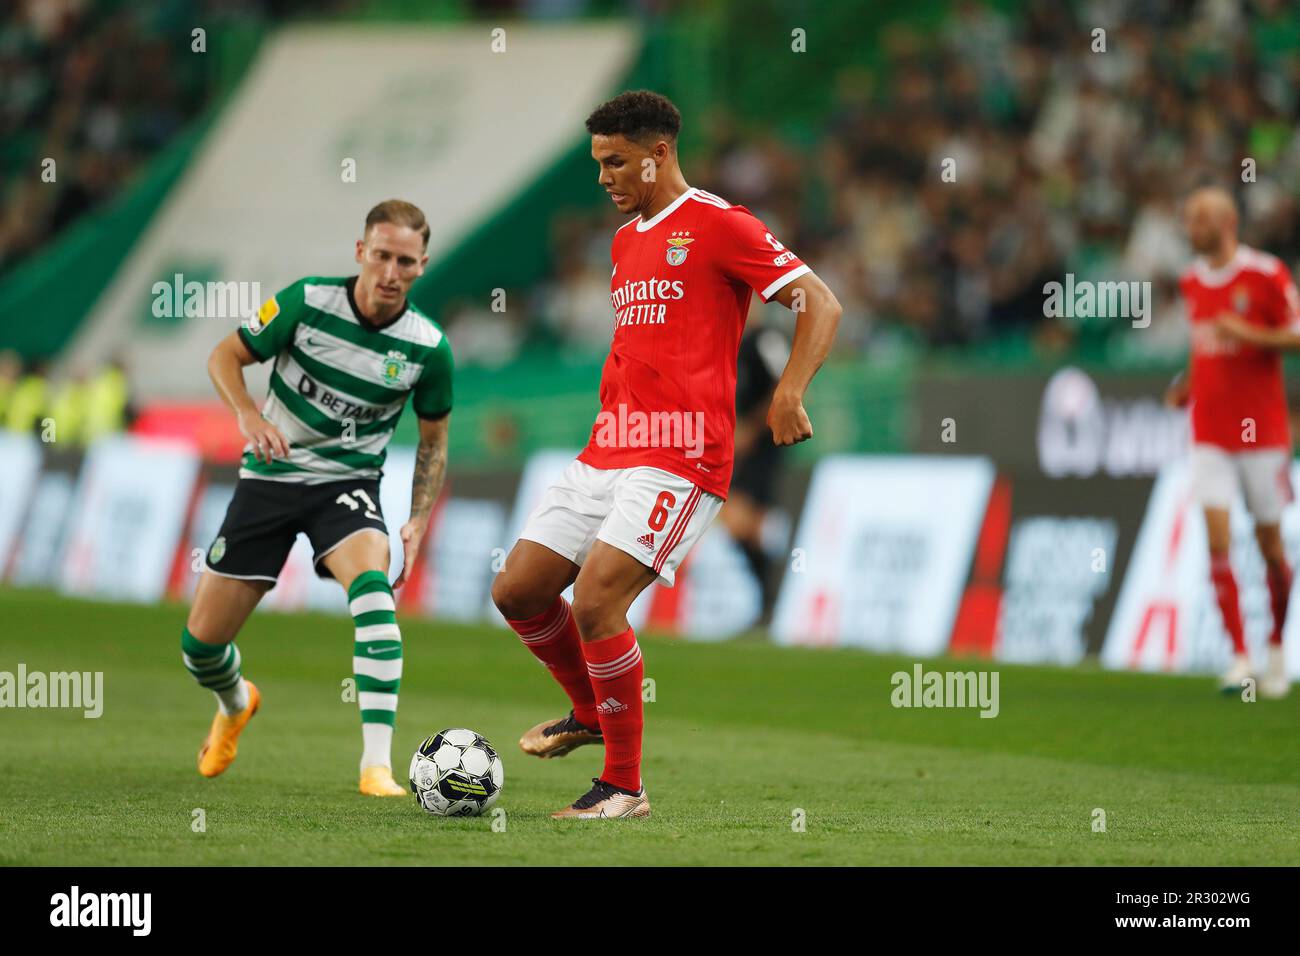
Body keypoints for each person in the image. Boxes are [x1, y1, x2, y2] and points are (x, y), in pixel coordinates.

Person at [491, 91, 842, 818]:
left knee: (596, 600)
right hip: (606, 451)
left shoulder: (719, 224)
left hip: (680, 455)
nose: (603, 177)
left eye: (614, 161)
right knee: (518, 590)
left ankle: (623, 786)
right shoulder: (623, 243)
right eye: (598, 163)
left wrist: (787, 393)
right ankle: (591, 711)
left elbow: (820, 301)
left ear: (659, 154)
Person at [182, 199, 453, 794]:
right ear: (361, 252)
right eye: (381, 255)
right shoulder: (306, 302)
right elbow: (224, 355)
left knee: (375, 599)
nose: (390, 272)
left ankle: (375, 765)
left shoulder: (428, 347)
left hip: (347, 487)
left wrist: (417, 518)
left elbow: (434, 442)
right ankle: (235, 702)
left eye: (405, 261)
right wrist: (248, 414)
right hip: (271, 477)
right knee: (200, 646)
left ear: (422, 266)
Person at [1165, 186, 1297, 697]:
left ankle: (1278, 650)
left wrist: (1249, 333)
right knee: (1217, 539)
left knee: (1269, 545)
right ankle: (1240, 658)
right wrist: (1186, 387)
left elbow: (1296, 335)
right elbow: (1206, 350)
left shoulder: (1265, 274)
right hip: (1210, 432)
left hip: (1262, 433)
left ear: (1226, 222)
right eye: (1187, 219)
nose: (1189, 228)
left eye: (1197, 220)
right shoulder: (1191, 281)